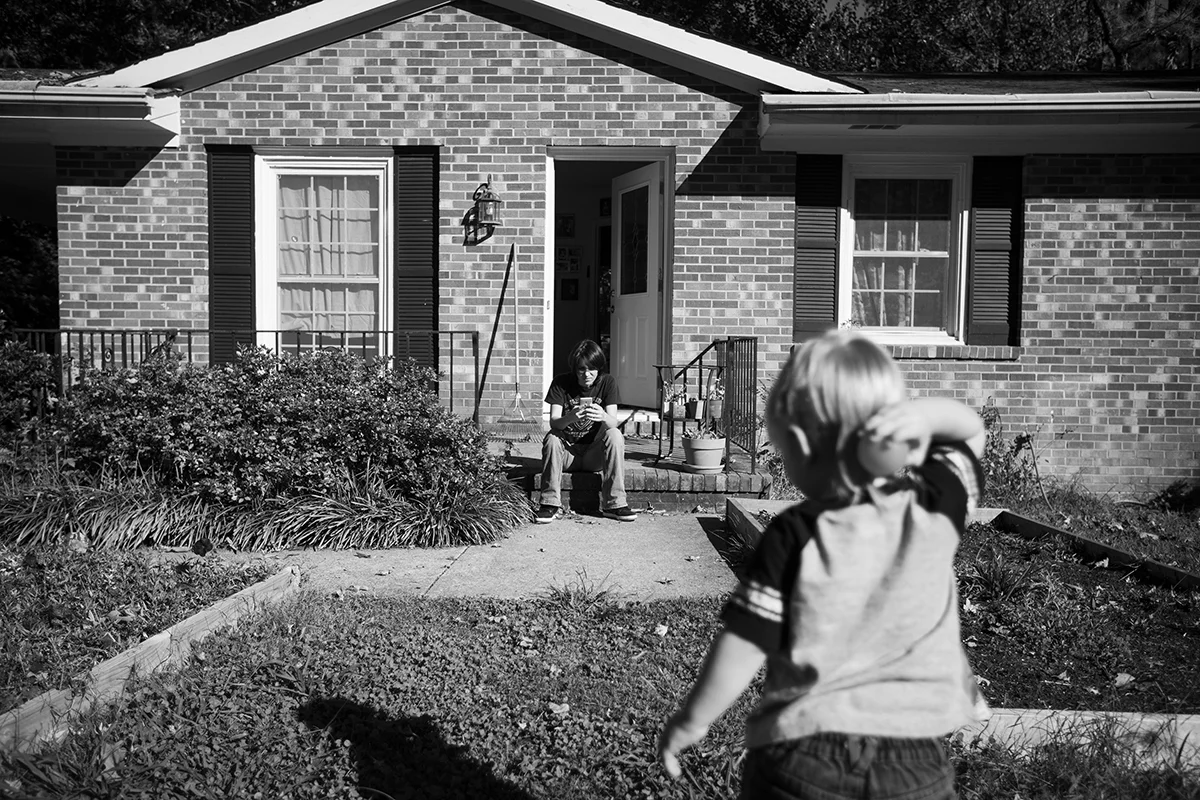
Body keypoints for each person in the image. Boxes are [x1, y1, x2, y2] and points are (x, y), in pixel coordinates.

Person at [657, 329, 990, 799]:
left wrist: (694, 720)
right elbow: (970, 430)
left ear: (794, 441)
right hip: (916, 760)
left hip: (804, 755)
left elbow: (747, 640)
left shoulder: (796, 533)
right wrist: (914, 416)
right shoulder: (933, 510)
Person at [536, 339, 637, 523]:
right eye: (581, 369)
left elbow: (613, 423)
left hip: (594, 455)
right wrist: (571, 418)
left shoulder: (608, 382)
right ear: (575, 369)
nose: (586, 374)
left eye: (591, 369)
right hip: (568, 454)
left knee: (615, 435)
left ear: (599, 368)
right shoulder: (561, 382)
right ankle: (549, 504)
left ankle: (615, 504)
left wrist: (603, 416)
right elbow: (554, 423)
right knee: (552, 438)